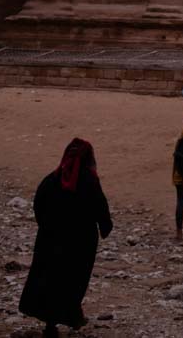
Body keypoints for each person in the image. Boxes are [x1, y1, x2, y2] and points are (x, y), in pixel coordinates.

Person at [19, 137, 113, 336]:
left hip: (50, 239)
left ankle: (52, 323)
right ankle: (70, 316)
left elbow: (39, 204)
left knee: (50, 278)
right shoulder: (89, 180)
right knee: (73, 280)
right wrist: (105, 227)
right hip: (80, 243)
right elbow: (100, 206)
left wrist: (45, 226)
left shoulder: (52, 178)